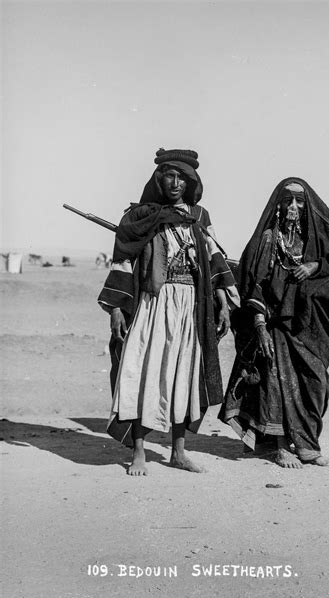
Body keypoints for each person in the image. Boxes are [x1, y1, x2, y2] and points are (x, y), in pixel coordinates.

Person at [98, 148, 238, 475]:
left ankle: (178, 452)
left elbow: (214, 258)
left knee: (183, 375)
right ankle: (138, 453)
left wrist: (222, 303)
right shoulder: (140, 217)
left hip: (191, 304)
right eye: (169, 176)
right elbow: (123, 260)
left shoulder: (199, 216)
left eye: (182, 178)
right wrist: (116, 309)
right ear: (159, 179)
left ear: (191, 182)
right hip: (152, 302)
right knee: (143, 372)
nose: (175, 183)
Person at [219, 178, 329, 468]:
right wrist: (260, 326)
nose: (292, 207)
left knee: (316, 382)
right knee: (276, 382)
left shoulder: (316, 238)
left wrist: (316, 266)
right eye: (287, 200)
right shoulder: (267, 239)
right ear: (278, 204)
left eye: (299, 201)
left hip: (307, 324)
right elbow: (255, 284)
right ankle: (280, 446)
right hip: (275, 323)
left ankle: (306, 444)